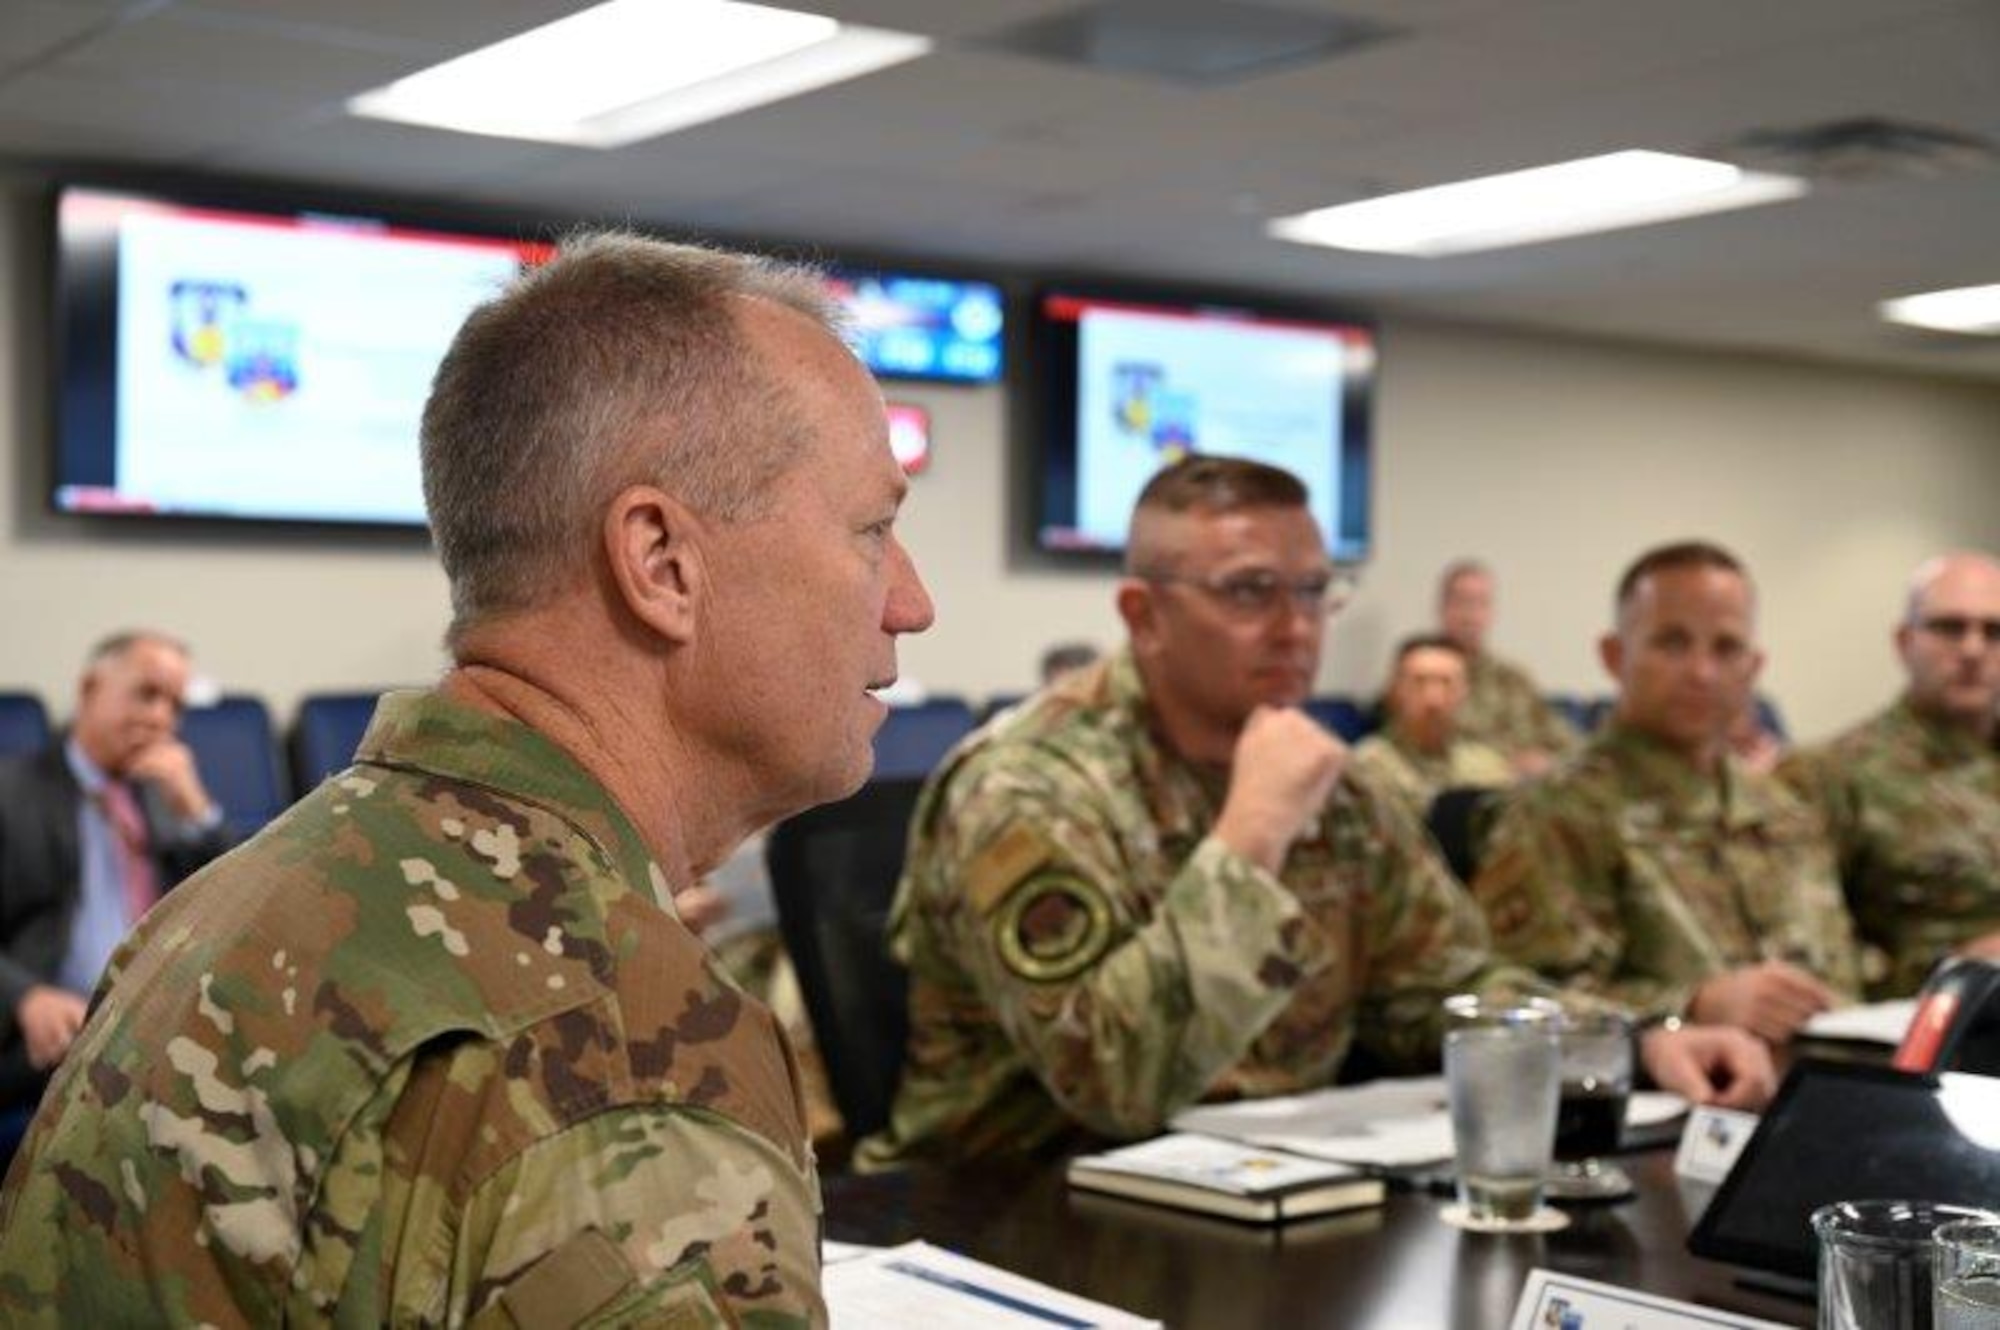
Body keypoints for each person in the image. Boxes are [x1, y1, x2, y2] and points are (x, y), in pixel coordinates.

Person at [0, 234, 934, 1326]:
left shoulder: (237, 898)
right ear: (662, 563)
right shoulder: (622, 1046)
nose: (911, 602)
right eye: (873, 531)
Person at [855, 460, 1771, 1171]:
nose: (1297, 626)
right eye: (1251, 592)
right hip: (1014, 1205)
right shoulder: (1030, 783)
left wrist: (1634, 1039)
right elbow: (1112, 1082)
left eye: (1312, 591)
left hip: (1271, 1188)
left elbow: (1443, 984)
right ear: (1145, 615)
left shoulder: (1340, 784)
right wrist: (1252, 835)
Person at [1472, 541, 1861, 1045]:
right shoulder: (1558, 813)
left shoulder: (1785, 811)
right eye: (1673, 643)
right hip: (1665, 1104)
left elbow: (1843, 978)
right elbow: (1512, 1004)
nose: (1702, 672)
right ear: (1614, 656)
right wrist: (1694, 1006)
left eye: (1726, 649)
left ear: (1753, 666)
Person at [0, 632, 228, 1128]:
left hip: (162, 1027)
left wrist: (198, 814)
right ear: (88, 689)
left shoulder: (165, 795)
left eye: (175, 705)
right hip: (54, 1039)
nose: (162, 718)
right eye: (147, 694)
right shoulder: (12, 791)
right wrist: (23, 996)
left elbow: (242, 911)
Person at [1780, 552, 2000, 997]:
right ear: (1905, 642)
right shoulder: (1830, 775)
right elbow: (1806, 955)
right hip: (1924, 1030)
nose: (1973, 649)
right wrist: (1961, 968)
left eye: (1993, 632)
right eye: (1949, 628)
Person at [1437, 560, 1580, 776]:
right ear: (1443, 609)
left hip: (1524, 793)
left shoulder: (1514, 678)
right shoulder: (1422, 676)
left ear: (1491, 612)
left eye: (1480, 603)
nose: (1471, 615)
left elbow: (1567, 743)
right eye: (1463, 602)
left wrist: (1547, 761)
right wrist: (1501, 764)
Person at [1350, 634, 1514, 821]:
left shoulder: (1488, 767)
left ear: (1464, 692)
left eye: (1446, 683)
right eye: (1419, 682)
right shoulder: (1367, 767)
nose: (1433, 699)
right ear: (1395, 691)